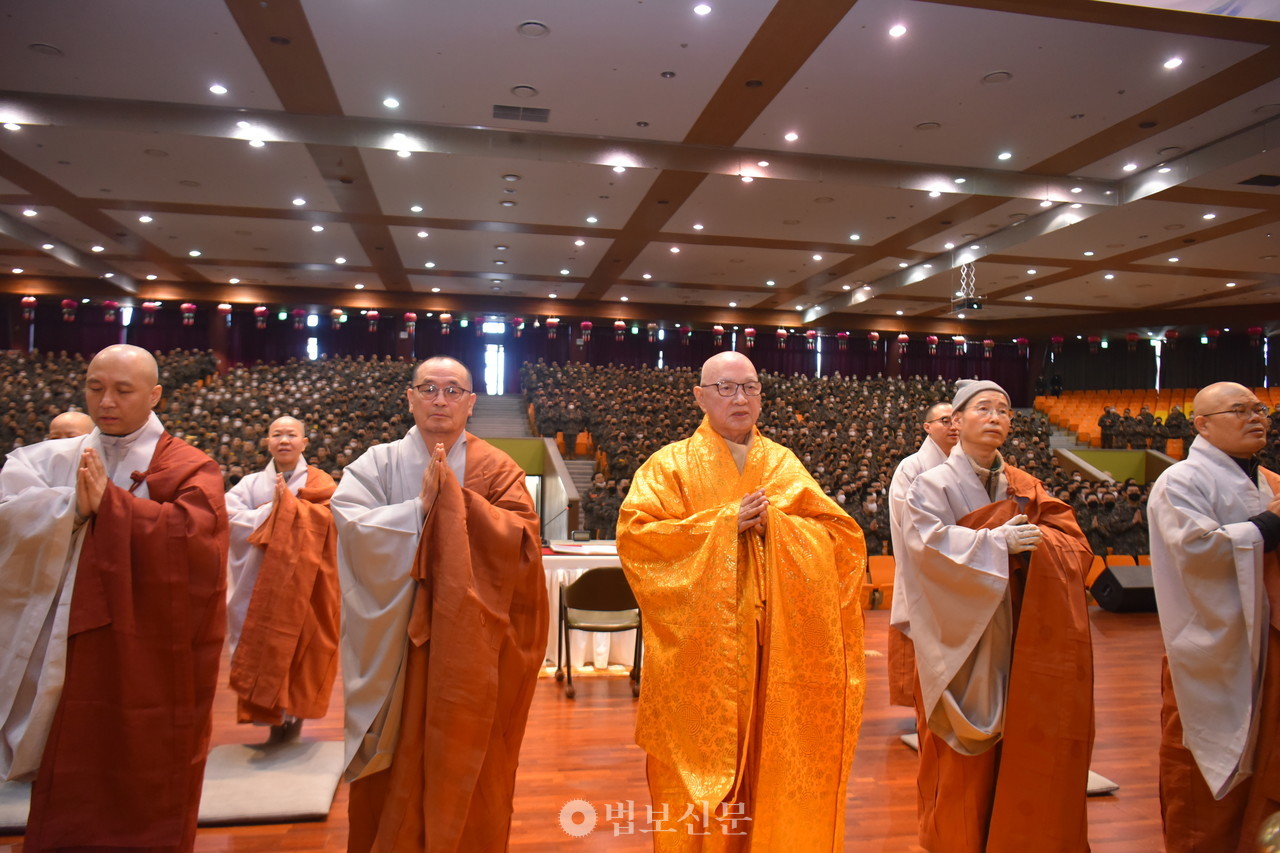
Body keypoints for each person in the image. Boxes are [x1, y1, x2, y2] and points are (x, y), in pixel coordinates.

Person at [616, 351, 866, 848]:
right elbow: (638, 539)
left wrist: (781, 528)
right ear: (700, 397)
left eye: (750, 388)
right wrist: (723, 525)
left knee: (770, 764)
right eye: (727, 388)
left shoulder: (781, 464)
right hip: (700, 655)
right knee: (698, 774)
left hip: (775, 648)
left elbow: (841, 538)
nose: (740, 398)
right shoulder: (670, 466)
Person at [0, 344, 227, 852]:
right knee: (71, 756)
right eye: (95, 387)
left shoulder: (189, 466)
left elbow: (200, 544)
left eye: (123, 390)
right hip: (67, 642)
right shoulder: (50, 459)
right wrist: (69, 507)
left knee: (148, 762)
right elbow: (8, 513)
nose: (106, 401)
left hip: (151, 647)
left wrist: (115, 506)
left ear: (155, 395)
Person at [332, 356, 547, 852]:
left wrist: (459, 505)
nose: (440, 400)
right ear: (409, 397)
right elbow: (349, 525)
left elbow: (525, 544)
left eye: (454, 391)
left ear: (471, 404)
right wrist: (419, 511)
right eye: (429, 389)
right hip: (393, 642)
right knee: (390, 768)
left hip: (469, 650)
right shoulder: (376, 464)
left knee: (472, 763)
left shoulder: (496, 467)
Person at [901, 379, 1094, 852]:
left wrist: (1038, 544)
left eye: (1004, 411)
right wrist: (994, 543)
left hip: (1019, 629)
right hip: (960, 634)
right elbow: (925, 549)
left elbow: (1075, 545)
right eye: (982, 409)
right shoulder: (930, 484)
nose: (995, 418)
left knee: (1017, 743)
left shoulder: (1024, 485)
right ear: (957, 421)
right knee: (962, 758)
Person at [1147, 381, 1280, 853]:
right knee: (1200, 770)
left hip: (1266, 639)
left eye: (1259, 408)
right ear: (1202, 424)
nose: (1256, 417)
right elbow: (1198, 550)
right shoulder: (1182, 480)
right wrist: (1270, 525)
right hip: (1209, 646)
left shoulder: (1268, 481)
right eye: (1239, 410)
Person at [225, 415, 339, 746]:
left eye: (291, 434)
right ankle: (272, 721)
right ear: (267, 442)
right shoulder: (249, 484)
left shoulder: (321, 484)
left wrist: (286, 511)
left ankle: (293, 723)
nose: (284, 440)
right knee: (263, 648)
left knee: (299, 648)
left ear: (305, 443)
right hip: (258, 583)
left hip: (303, 585)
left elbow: (331, 523)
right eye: (277, 434)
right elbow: (228, 517)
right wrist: (274, 512)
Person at [887, 401, 958, 709]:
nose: (953, 425)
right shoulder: (911, 467)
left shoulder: (966, 465)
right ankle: (925, 717)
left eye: (956, 419)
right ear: (927, 427)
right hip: (924, 569)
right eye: (945, 420)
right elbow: (909, 524)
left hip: (960, 571)